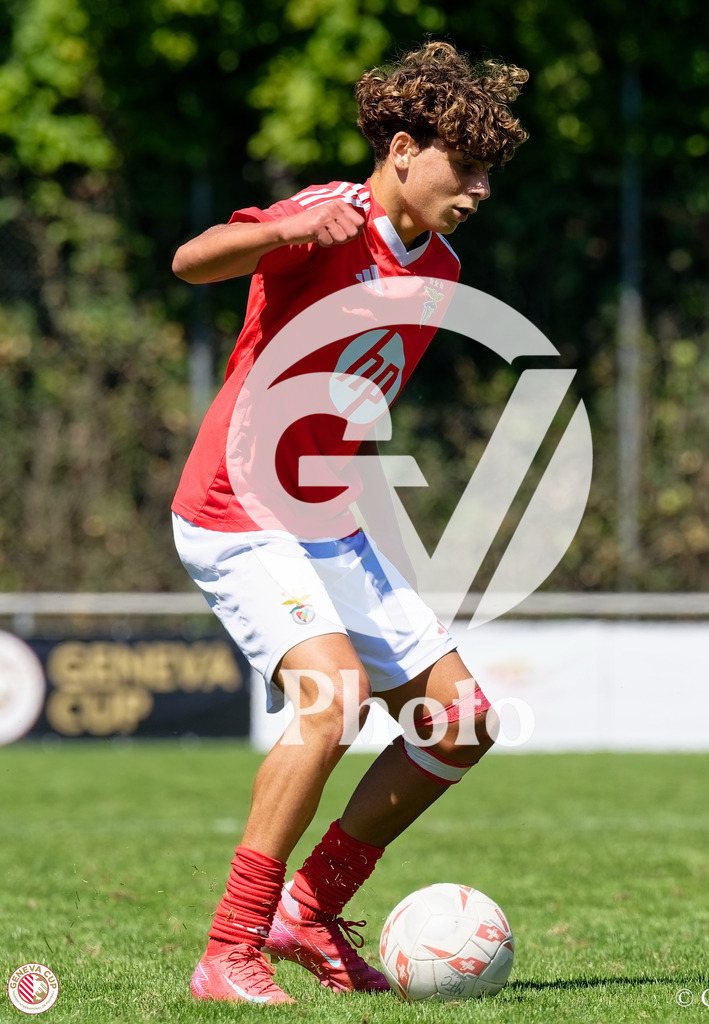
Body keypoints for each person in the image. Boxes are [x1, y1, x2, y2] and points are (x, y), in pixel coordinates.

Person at [171, 40, 529, 1004]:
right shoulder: (327, 215)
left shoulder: (440, 267)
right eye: (466, 167)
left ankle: (309, 912)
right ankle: (229, 949)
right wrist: (287, 231)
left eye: (489, 174)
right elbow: (191, 261)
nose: (479, 190)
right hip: (236, 509)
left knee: (459, 723)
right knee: (332, 697)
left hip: (324, 523)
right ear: (402, 150)